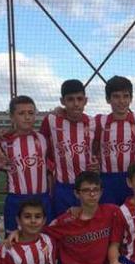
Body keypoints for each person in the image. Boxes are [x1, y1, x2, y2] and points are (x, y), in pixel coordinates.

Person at [40, 79, 96, 218]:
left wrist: (97, 163)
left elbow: (99, 149)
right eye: (70, 99)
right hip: (62, 188)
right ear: (62, 101)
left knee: (86, 226)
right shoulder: (51, 120)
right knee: (63, 227)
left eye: (79, 99)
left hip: (88, 188)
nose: (76, 103)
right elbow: (39, 142)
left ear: (85, 100)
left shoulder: (94, 122)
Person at [94, 76, 135, 206]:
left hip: (133, 179)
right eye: (116, 96)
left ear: (131, 98)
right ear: (108, 99)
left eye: (125, 96)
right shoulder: (98, 121)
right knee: (110, 215)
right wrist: (60, 111)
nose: (121, 101)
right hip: (107, 179)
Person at [0, 95, 51, 233]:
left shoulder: (43, 139)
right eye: (21, 113)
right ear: (12, 117)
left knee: (44, 240)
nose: (27, 117)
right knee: (14, 241)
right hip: (16, 199)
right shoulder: (2, 142)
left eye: (31, 113)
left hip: (41, 198)